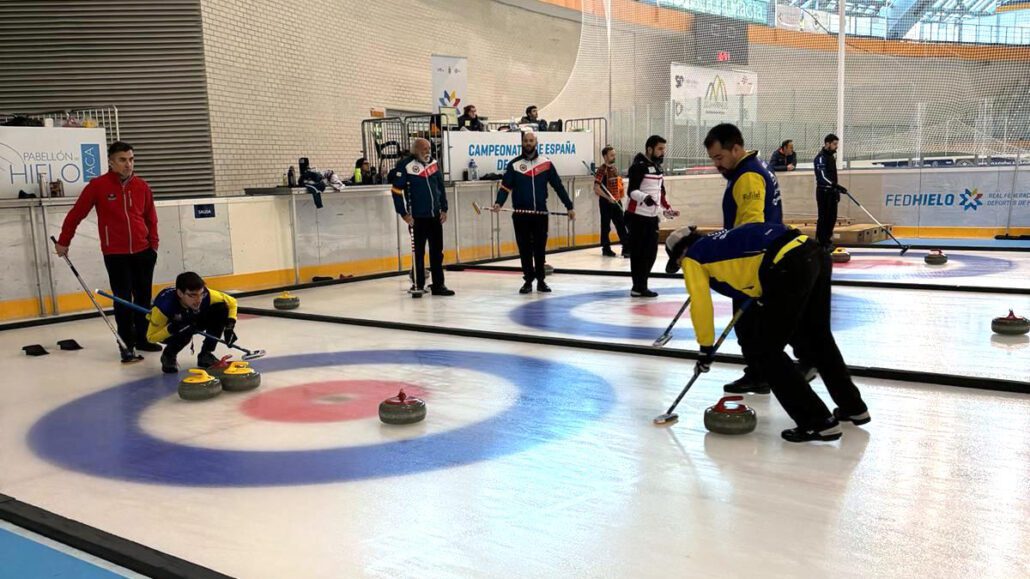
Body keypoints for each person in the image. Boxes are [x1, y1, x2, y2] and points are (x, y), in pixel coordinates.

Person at [665, 223, 869, 443]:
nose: (681, 267)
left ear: (680, 254)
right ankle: (854, 408)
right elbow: (749, 272)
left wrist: (705, 349)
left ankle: (817, 422)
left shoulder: (692, 258)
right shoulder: (721, 240)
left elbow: (700, 305)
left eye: (677, 263)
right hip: (813, 252)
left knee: (765, 351)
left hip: (787, 265)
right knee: (818, 338)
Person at [704, 123, 814, 394]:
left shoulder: (748, 176)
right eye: (713, 159)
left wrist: (727, 256)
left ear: (735, 149)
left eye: (719, 157)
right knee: (755, 323)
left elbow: (751, 225)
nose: (716, 164)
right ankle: (759, 372)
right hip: (767, 256)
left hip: (755, 260)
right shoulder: (757, 165)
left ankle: (766, 372)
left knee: (748, 323)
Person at [55, 141, 160, 363]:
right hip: (115, 254)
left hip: (143, 251)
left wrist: (153, 246)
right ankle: (126, 344)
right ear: (111, 162)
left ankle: (143, 337)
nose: (128, 164)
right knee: (123, 300)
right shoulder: (98, 186)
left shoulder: (142, 186)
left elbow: (151, 218)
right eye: (122, 160)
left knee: (143, 298)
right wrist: (64, 241)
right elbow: (76, 214)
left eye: (131, 159)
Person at [491, 131, 575, 293]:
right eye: (526, 141)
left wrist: (569, 206)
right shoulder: (514, 165)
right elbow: (505, 187)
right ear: (522, 143)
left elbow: (558, 186)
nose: (528, 143)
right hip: (521, 215)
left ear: (536, 142)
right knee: (524, 249)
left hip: (540, 214)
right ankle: (528, 280)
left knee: (539, 249)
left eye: (531, 140)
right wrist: (498, 203)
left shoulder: (546, 163)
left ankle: (541, 281)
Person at [391, 138, 454, 297]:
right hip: (417, 218)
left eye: (429, 148)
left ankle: (438, 285)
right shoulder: (405, 165)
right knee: (418, 253)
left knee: (437, 252)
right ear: (416, 150)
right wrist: (403, 213)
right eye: (424, 149)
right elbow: (396, 191)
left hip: (435, 216)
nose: (428, 151)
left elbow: (440, 188)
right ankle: (418, 284)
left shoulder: (434, 164)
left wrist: (444, 208)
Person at [147, 272, 238, 373]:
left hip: (192, 319)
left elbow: (232, 302)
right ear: (180, 293)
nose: (198, 300)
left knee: (221, 308)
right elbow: (151, 338)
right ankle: (169, 355)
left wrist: (229, 327)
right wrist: (171, 329)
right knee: (185, 329)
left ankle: (206, 354)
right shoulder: (164, 307)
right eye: (193, 295)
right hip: (172, 329)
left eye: (201, 294)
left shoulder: (206, 295)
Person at [625, 135, 678, 298]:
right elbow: (631, 191)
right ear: (650, 149)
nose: (663, 152)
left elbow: (661, 193)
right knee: (638, 254)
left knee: (651, 254)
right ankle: (638, 287)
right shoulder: (638, 167)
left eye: (664, 149)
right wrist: (645, 198)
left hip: (652, 217)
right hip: (636, 217)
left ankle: (642, 285)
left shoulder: (658, 168)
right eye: (660, 149)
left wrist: (667, 209)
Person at [593, 145, 629, 258]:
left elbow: (618, 184)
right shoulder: (601, 170)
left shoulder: (614, 169)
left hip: (616, 201)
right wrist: (608, 198)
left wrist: (619, 196)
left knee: (621, 224)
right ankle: (606, 248)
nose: (614, 157)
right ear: (605, 156)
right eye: (611, 155)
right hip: (606, 203)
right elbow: (596, 188)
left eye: (614, 155)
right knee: (606, 226)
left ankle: (626, 248)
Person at [814, 134, 842, 249]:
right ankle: (821, 242)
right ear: (827, 144)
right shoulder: (820, 158)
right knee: (824, 218)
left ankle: (827, 240)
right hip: (823, 192)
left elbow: (833, 176)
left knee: (832, 218)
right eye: (834, 144)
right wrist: (835, 185)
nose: (836, 146)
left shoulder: (831, 157)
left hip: (832, 192)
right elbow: (822, 176)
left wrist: (837, 190)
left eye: (837, 144)